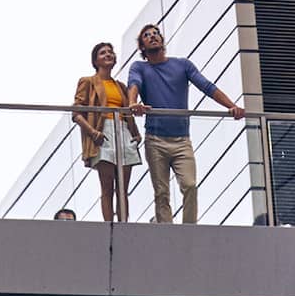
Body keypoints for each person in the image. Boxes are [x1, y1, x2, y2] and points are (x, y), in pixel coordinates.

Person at [125, 23, 244, 225]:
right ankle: (167, 231)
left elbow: (206, 85)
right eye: (147, 35)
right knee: (161, 192)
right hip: (155, 139)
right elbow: (133, 84)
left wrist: (232, 107)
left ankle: (189, 229)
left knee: (190, 185)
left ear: (162, 41)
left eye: (156, 34)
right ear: (142, 47)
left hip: (182, 140)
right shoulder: (140, 67)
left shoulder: (182, 65)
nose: (153, 36)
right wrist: (132, 104)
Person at [72, 40, 140, 222]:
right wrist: (93, 133)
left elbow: (127, 113)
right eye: (103, 53)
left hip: (123, 131)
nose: (108, 54)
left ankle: (124, 224)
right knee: (107, 186)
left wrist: (135, 134)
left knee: (123, 188)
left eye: (110, 52)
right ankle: (109, 225)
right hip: (103, 131)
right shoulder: (87, 82)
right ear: (95, 61)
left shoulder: (120, 86)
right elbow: (77, 113)